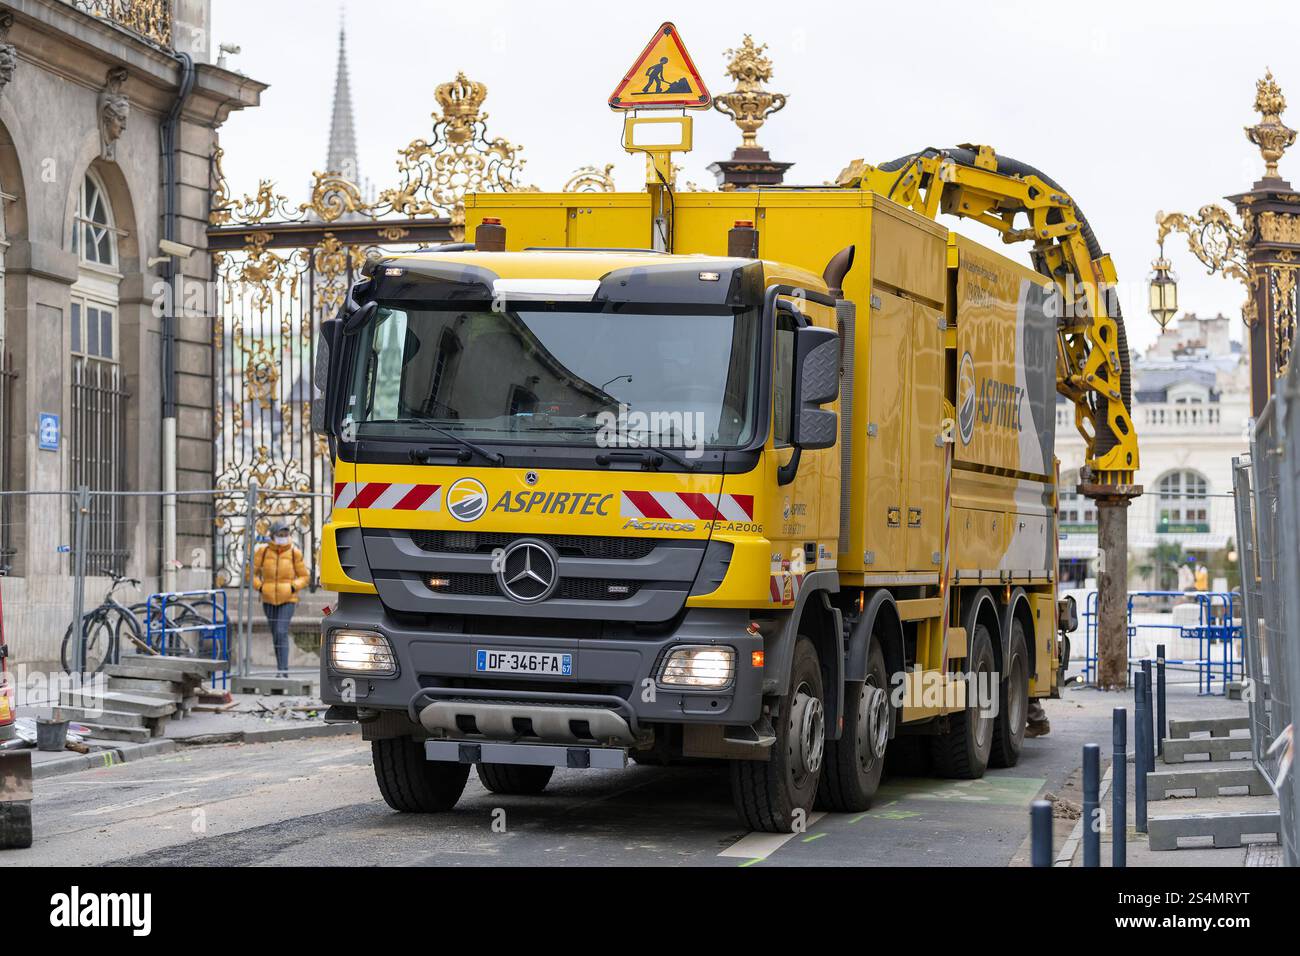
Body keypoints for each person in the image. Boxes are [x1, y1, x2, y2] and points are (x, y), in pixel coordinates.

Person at [252, 519, 309, 678]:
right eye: (280, 534)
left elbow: (304, 576)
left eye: (286, 534)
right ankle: (280, 669)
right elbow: (251, 574)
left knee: (281, 631)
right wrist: (261, 587)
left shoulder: (293, 552)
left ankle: (283, 671)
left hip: (288, 599)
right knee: (275, 634)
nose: (283, 537)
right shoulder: (262, 552)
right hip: (268, 598)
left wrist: (293, 587)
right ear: (273, 535)